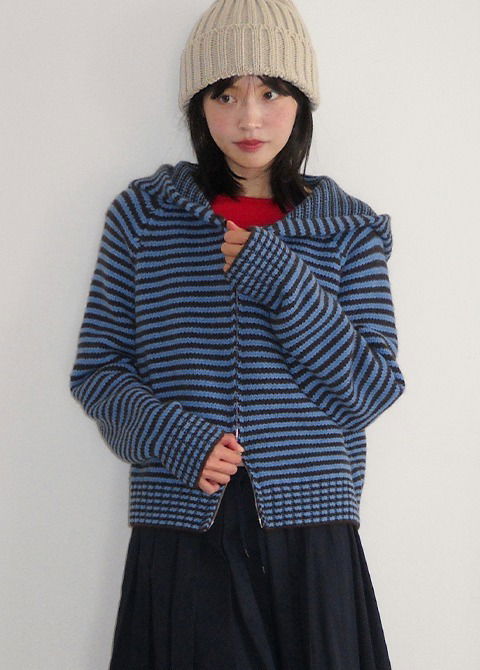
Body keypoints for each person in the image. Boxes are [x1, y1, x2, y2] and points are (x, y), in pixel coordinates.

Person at [69, 0, 406, 668]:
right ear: (199, 106)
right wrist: (176, 439)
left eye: (270, 92)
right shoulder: (144, 217)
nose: (249, 118)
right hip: (183, 524)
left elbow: (371, 389)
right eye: (225, 94)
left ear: (301, 101)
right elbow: (98, 371)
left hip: (312, 538)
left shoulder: (349, 229)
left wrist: (281, 279)